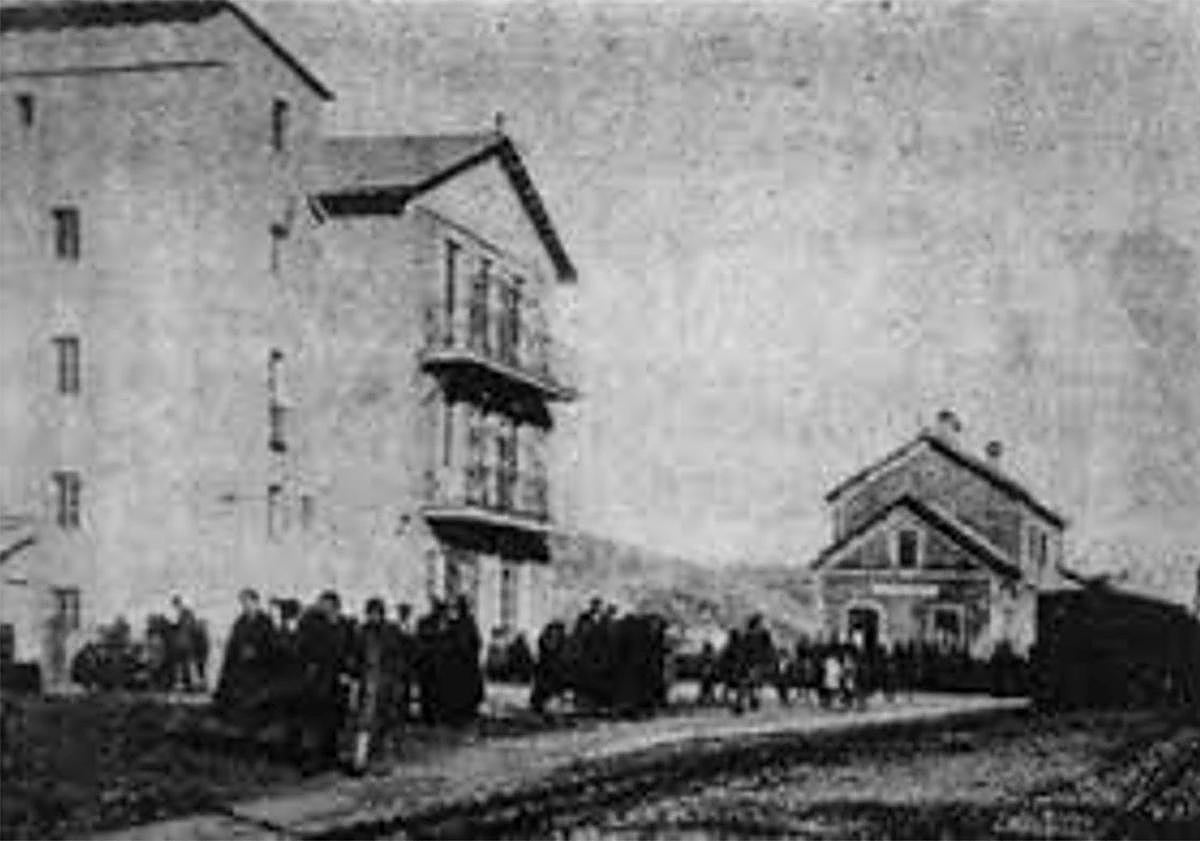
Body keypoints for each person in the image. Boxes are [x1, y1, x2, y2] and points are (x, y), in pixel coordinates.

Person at [296, 590, 352, 771]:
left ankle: (333, 757)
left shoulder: (346, 626)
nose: (322, 607)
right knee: (317, 720)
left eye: (326, 604)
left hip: (339, 681)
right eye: (321, 604)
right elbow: (305, 646)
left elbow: (353, 651)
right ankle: (314, 760)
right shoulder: (315, 625)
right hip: (320, 680)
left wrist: (349, 672)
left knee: (336, 721)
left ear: (335, 606)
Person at [349, 598, 399, 773]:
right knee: (364, 724)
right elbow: (355, 658)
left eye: (377, 613)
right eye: (371, 613)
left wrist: (395, 681)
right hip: (367, 684)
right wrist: (355, 677)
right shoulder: (361, 633)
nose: (373, 617)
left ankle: (384, 762)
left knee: (385, 725)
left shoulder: (390, 633)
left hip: (386, 685)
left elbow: (397, 660)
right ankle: (360, 761)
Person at [214, 589, 276, 723]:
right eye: (243, 603)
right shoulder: (240, 622)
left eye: (247, 602)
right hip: (240, 666)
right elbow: (232, 645)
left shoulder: (265, 622)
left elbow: (272, 647)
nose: (245, 606)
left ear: (256, 602)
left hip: (260, 668)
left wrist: (257, 652)